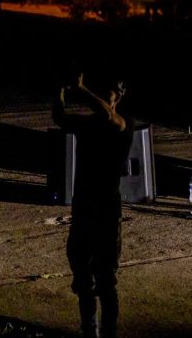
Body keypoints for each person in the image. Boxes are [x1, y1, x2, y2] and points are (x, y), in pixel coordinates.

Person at [52, 73, 135, 338]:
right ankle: (88, 328)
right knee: (82, 275)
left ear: (118, 98)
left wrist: (81, 89)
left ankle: (108, 331)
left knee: (106, 280)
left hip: (107, 212)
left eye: (107, 92)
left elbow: (108, 115)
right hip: (84, 208)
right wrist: (59, 92)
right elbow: (60, 119)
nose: (100, 96)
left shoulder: (122, 125)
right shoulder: (89, 125)